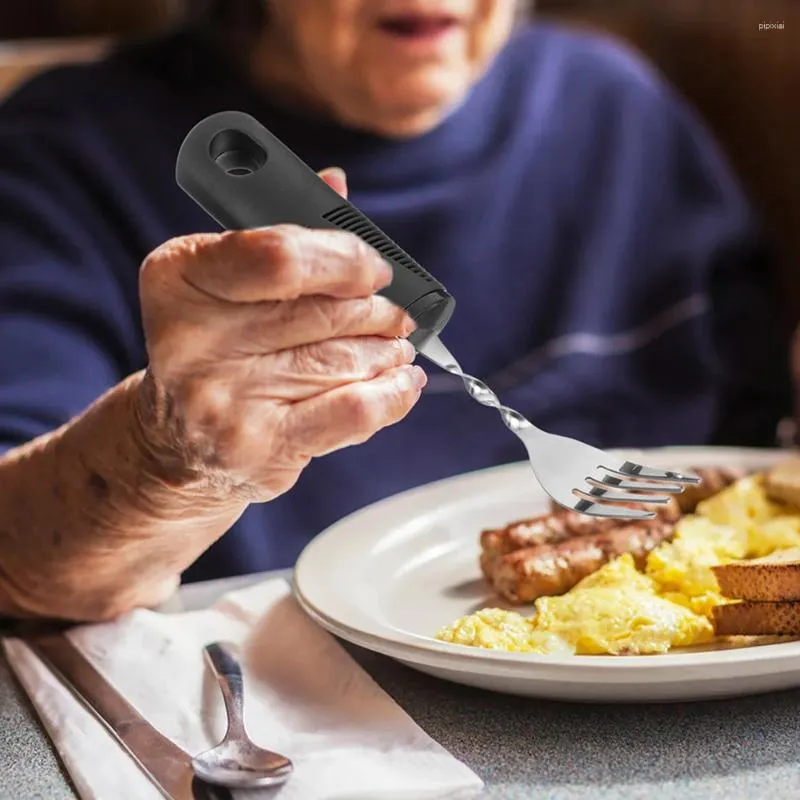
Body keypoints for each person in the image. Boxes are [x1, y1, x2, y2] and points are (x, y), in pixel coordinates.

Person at [0, 0, 791, 621]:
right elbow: (17, 565)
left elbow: (764, 434)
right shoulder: (66, 155)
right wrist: (164, 455)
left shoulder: (613, 103)